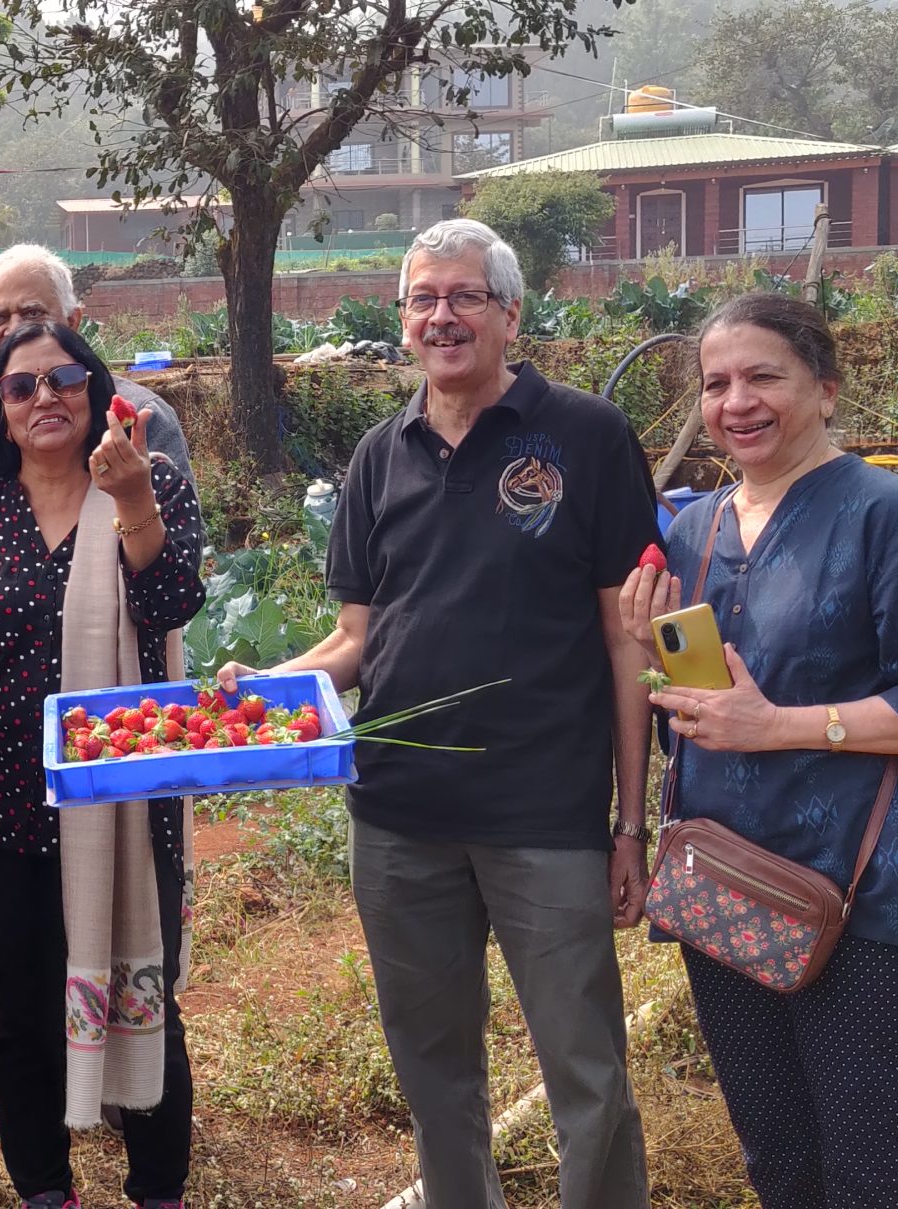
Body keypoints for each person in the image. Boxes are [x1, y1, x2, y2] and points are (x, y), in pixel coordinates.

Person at [220, 217, 657, 1209]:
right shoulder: (381, 456)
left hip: (543, 816)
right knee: (433, 1075)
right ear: (404, 321)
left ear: (510, 314)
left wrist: (630, 823)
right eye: (423, 299)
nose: (440, 316)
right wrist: (265, 690)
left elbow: (626, 639)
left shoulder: (584, 438)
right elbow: (354, 643)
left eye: (463, 296)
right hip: (400, 819)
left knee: (585, 1074)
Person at [618, 294, 898, 1208]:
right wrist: (649, 656)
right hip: (729, 886)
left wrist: (784, 724)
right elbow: (703, 703)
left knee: (877, 1169)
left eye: (764, 377)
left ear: (825, 389)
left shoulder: (889, 515)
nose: (737, 401)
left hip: (873, 897)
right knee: (780, 1160)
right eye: (716, 383)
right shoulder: (694, 528)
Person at [0, 322, 207, 1209]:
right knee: (20, 1004)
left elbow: (171, 600)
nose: (45, 397)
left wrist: (133, 506)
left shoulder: (146, 481)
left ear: (96, 395)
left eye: (65, 380)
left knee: (139, 984)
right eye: (21, 387)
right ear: (0, 414)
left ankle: (158, 1185)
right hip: (4, 797)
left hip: (126, 792)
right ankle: (44, 1188)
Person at [0, 244, 193, 529]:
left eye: (32, 313)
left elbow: (181, 547)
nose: (15, 329)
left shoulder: (139, 418)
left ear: (73, 321)